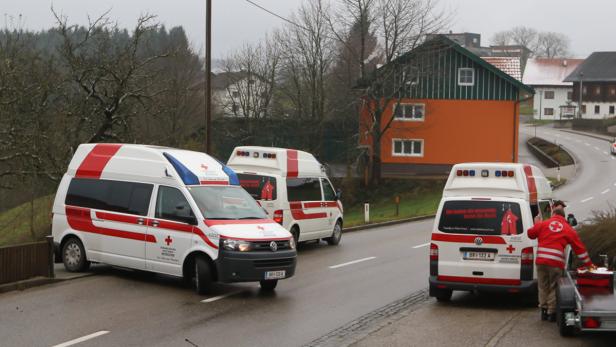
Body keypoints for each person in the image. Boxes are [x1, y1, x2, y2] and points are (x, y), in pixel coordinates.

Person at [528, 201, 595, 322]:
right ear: (564, 217)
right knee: (554, 286)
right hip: (555, 262)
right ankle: (551, 313)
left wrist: (536, 224)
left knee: (543, 285)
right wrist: (589, 265)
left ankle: (543, 310)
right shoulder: (568, 229)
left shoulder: (543, 224)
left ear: (553, 214)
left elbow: (530, 234)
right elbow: (580, 250)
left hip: (541, 260)